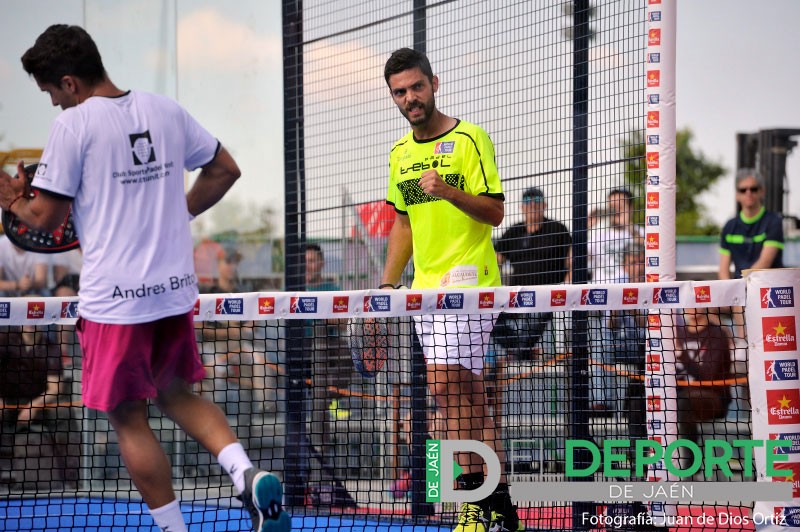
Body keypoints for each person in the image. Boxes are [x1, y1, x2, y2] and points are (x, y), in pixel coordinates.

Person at [0, 25, 289, 532]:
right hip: (173, 294)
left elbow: (43, 218)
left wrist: (12, 200)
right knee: (178, 394)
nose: (52, 106)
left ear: (69, 82)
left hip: (115, 304)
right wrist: (179, 213)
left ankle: (173, 529)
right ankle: (245, 476)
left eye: (49, 92)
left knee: (128, 418)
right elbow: (225, 169)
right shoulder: (165, 109)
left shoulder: (74, 126)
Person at [380, 48, 519, 532]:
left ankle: (468, 503)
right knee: (471, 397)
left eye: (416, 86)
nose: (410, 97)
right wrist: (387, 282)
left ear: (434, 83)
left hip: (470, 285)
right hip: (424, 292)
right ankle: (500, 505)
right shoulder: (400, 155)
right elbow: (404, 224)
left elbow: (494, 212)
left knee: (443, 388)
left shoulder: (469, 139)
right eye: (400, 91)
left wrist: (448, 191)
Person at [494, 187, 572, 357]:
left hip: (547, 296)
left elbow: (572, 261)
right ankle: (522, 350)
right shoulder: (513, 232)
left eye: (537, 201)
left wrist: (565, 287)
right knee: (489, 317)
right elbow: (495, 261)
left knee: (535, 319)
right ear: (522, 207)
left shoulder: (557, 229)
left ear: (545, 205)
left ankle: (522, 350)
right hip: (515, 296)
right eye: (527, 201)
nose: (532, 205)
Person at [304, 243, 352, 497]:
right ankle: (323, 400)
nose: (308, 266)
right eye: (304, 261)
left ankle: (330, 398)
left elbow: (343, 320)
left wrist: (327, 315)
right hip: (300, 353)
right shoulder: (292, 289)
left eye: (312, 260)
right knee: (316, 413)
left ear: (321, 263)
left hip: (329, 348)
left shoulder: (331, 288)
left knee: (347, 352)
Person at [718, 169, 784, 340]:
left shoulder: (774, 221)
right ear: (737, 195)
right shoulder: (729, 226)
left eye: (753, 189)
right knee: (698, 306)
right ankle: (741, 342)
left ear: (762, 191)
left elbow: (764, 262)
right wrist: (730, 291)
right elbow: (723, 269)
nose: (748, 193)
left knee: (772, 345)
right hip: (741, 296)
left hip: (771, 294)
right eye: (743, 189)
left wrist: (739, 286)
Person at [675, 307, 732, 456]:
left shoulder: (717, 334)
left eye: (696, 301)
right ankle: (640, 466)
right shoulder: (676, 334)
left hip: (712, 398)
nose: (692, 307)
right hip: (678, 395)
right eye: (688, 301)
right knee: (638, 402)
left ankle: (690, 469)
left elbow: (708, 376)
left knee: (683, 402)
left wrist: (682, 354)